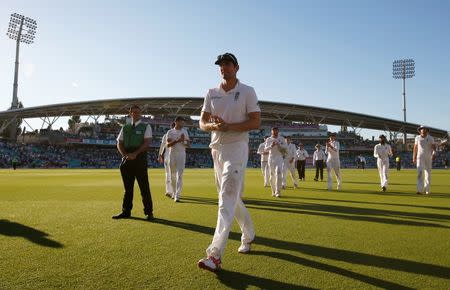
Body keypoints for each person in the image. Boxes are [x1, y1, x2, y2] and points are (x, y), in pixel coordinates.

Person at [197, 52, 260, 272]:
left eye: (227, 64)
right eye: (220, 65)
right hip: (217, 149)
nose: (223, 68)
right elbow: (202, 122)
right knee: (230, 197)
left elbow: (255, 122)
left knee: (226, 198)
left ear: (236, 67)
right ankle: (249, 234)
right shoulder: (211, 92)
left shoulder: (247, 91)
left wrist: (228, 127)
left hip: (237, 148)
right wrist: (212, 127)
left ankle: (214, 254)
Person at [113, 105, 154, 220]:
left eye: (138, 112)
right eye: (134, 112)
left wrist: (135, 154)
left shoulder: (146, 126)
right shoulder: (125, 127)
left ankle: (149, 212)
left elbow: (146, 143)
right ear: (130, 113)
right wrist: (125, 155)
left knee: (144, 187)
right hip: (127, 158)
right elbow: (119, 143)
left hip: (140, 157)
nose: (136, 114)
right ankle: (126, 211)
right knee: (128, 189)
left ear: (140, 113)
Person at [166, 117, 190, 202]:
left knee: (179, 175)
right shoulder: (170, 132)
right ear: (176, 122)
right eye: (181, 122)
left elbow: (188, 144)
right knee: (172, 175)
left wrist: (183, 141)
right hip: (172, 154)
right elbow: (168, 145)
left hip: (181, 154)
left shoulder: (185, 131)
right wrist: (178, 140)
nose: (182, 123)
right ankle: (173, 192)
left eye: (183, 122)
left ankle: (177, 195)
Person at [413, 125, 436, 195]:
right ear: (420, 131)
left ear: (427, 131)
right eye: (422, 129)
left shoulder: (431, 138)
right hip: (420, 157)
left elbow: (434, 147)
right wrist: (414, 157)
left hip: (428, 157)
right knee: (419, 173)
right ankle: (419, 190)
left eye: (424, 129)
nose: (423, 130)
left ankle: (427, 190)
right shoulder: (417, 138)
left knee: (428, 174)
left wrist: (434, 153)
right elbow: (415, 148)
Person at [265, 127, 288, 197]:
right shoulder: (268, 139)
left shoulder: (282, 138)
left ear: (278, 131)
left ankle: (278, 192)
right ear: (271, 132)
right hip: (271, 157)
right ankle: (273, 190)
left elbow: (286, 147)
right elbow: (265, 149)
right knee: (272, 175)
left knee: (278, 173)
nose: (275, 132)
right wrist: (271, 146)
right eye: (274, 131)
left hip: (279, 157)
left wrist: (279, 145)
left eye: (276, 131)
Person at [158, 122, 175, 198]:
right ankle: (168, 191)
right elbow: (162, 146)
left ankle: (174, 191)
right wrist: (160, 155)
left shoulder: (180, 135)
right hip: (167, 156)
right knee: (167, 174)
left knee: (174, 175)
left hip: (175, 156)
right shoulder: (165, 136)